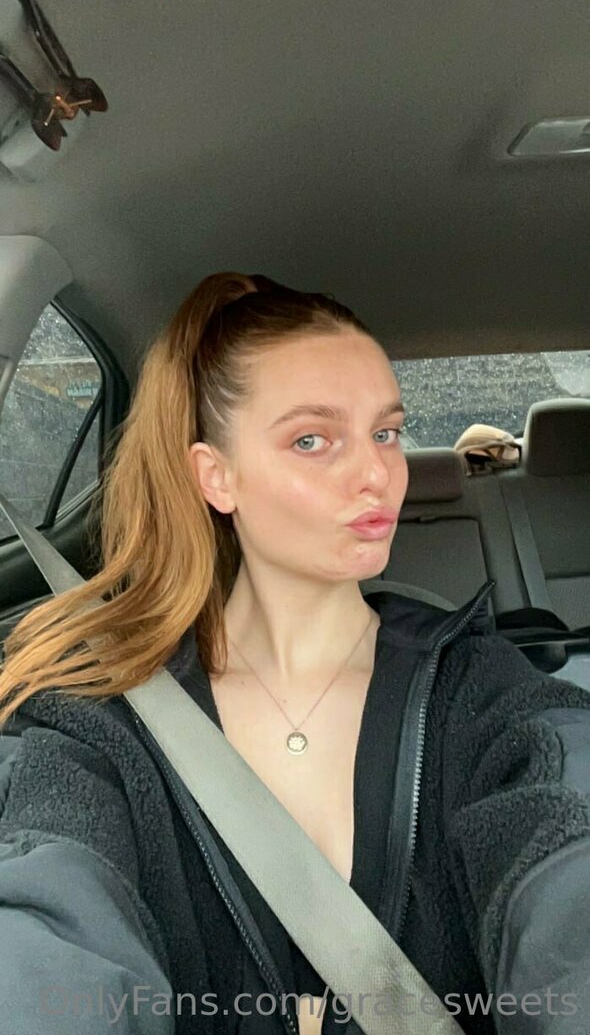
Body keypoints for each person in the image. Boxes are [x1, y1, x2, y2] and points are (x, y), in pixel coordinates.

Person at [0, 271, 589, 1035]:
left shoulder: (479, 688)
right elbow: (47, 920)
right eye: (312, 440)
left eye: (385, 432)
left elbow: (566, 835)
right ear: (218, 477)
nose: (378, 473)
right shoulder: (99, 724)